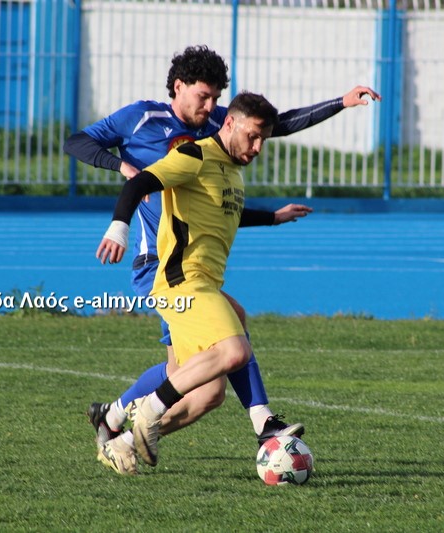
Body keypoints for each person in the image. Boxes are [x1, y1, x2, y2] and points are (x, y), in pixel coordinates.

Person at [65, 45, 381, 474]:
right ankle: (230, 421)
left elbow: (274, 127)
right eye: (204, 96)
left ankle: (118, 424)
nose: (210, 106)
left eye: (216, 98)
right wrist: (122, 171)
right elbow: (78, 142)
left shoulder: (221, 141)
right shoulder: (146, 122)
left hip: (195, 268)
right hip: (160, 263)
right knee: (223, 354)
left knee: (205, 387)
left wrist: (340, 103)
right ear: (179, 87)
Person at [97, 91, 291, 470]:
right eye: (252, 136)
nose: (257, 147)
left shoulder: (231, 171)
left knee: (208, 395)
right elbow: (138, 184)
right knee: (235, 350)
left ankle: (121, 442)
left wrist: (273, 217)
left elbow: (224, 213)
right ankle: (157, 410)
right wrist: (119, 227)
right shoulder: (194, 155)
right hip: (181, 282)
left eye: (263, 140)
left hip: (202, 284)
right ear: (229, 123)